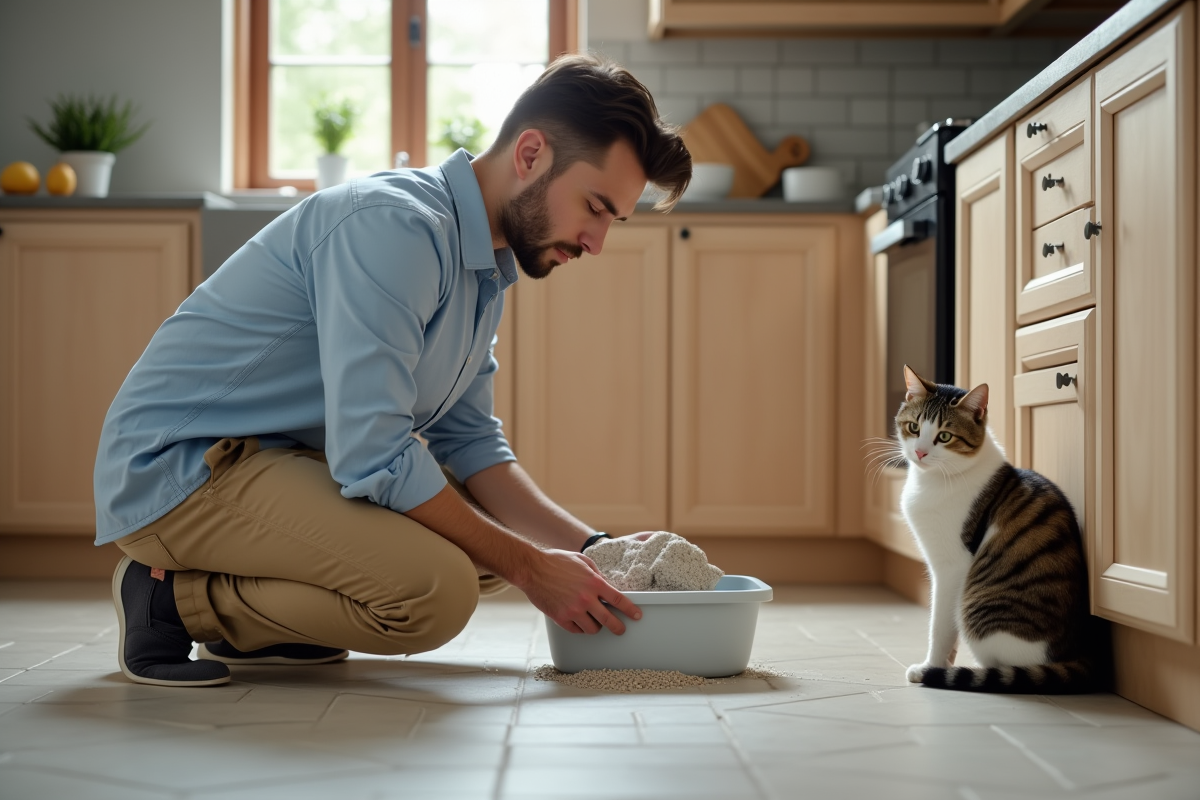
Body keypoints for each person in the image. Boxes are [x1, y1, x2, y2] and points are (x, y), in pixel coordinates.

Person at [93, 54, 693, 687]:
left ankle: (258, 625)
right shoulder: (397, 227)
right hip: (182, 467)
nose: (597, 242)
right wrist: (533, 570)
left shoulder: (484, 263)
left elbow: (469, 443)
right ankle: (173, 598)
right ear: (531, 155)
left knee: (485, 548)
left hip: (278, 463)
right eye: (595, 207)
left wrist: (593, 550)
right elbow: (374, 452)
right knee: (436, 590)